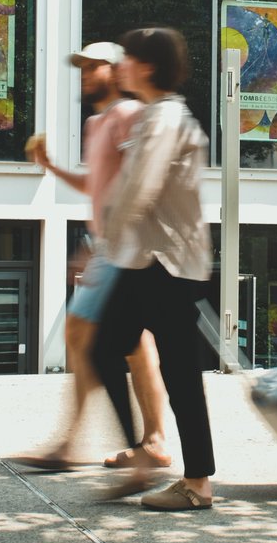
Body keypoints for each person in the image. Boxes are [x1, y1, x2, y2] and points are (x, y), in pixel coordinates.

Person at [13, 41, 172, 472]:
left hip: (126, 247)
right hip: (109, 246)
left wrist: (93, 248)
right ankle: (150, 443)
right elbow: (95, 185)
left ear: (117, 70)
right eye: (80, 66)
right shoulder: (96, 123)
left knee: (86, 334)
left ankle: (73, 445)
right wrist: (51, 166)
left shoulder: (127, 115)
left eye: (93, 66)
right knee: (128, 345)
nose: (84, 73)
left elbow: (137, 181)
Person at [94, 27, 216, 511]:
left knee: (176, 371)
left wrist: (104, 241)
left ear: (145, 66)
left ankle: (195, 482)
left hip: (164, 265)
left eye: (126, 59)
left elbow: (140, 188)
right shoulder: (156, 116)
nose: (119, 66)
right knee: (110, 347)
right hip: (152, 261)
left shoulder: (167, 119)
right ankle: (161, 463)